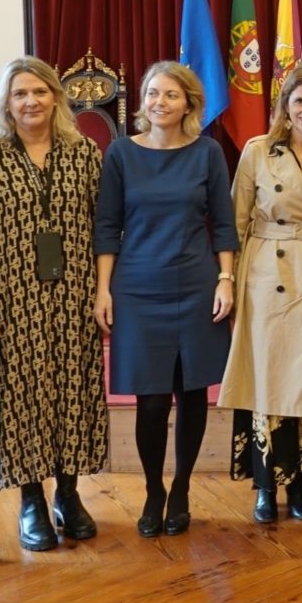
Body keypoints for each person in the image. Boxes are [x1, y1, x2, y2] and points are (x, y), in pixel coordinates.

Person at [0, 57, 107, 553]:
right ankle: (31, 500)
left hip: (74, 294)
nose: (31, 102)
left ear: (56, 98)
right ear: (6, 102)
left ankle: (68, 493)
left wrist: (102, 292)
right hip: (13, 297)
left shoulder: (84, 152)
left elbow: (102, 228)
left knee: (73, 387)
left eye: (40, 92)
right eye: (20, 93)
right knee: (22, 397)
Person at [94, 61, 238, 538]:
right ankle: (154, 489)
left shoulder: (208, 153)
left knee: (192, 392)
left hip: (197, 284)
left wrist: (226, 279)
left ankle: (181, 490)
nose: (160, 102)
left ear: (189, 104)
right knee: (151, 400)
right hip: (137, 288)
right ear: (143, 101)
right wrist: (103, 289)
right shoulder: (119, 154)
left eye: (171, 94)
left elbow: (223, 222)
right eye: (153, 93)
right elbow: (106, 227)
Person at [221, 63, 302, 523]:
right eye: (299, 101)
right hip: (267, 275)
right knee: (270, 380)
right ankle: (265, 486)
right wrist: (232, 281)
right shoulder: (259, 152)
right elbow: (236, 223)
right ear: (285, 106)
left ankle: (299, 482)